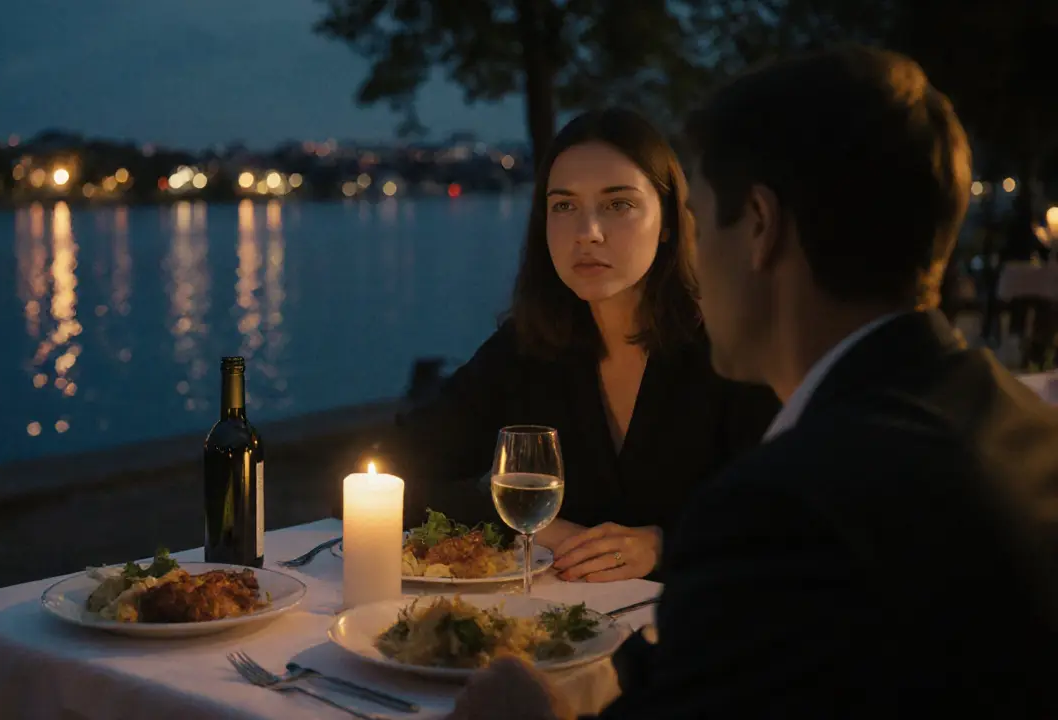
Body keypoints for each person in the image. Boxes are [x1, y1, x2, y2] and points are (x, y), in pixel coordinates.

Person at [449, 45, 1058, 718]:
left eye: (702, 228)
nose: (695, 261)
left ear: (760, 229)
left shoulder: (787, 509)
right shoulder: (1026, 429)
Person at [372, 107, 779, 583]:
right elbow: (391, 474)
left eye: (618, 204)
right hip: (558, 627)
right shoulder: (528, 348)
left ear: (668, 221)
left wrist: (666, 544)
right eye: (563, 206)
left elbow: (787, 517)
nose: (587, 232)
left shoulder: (735, 350)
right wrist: (533, 526)